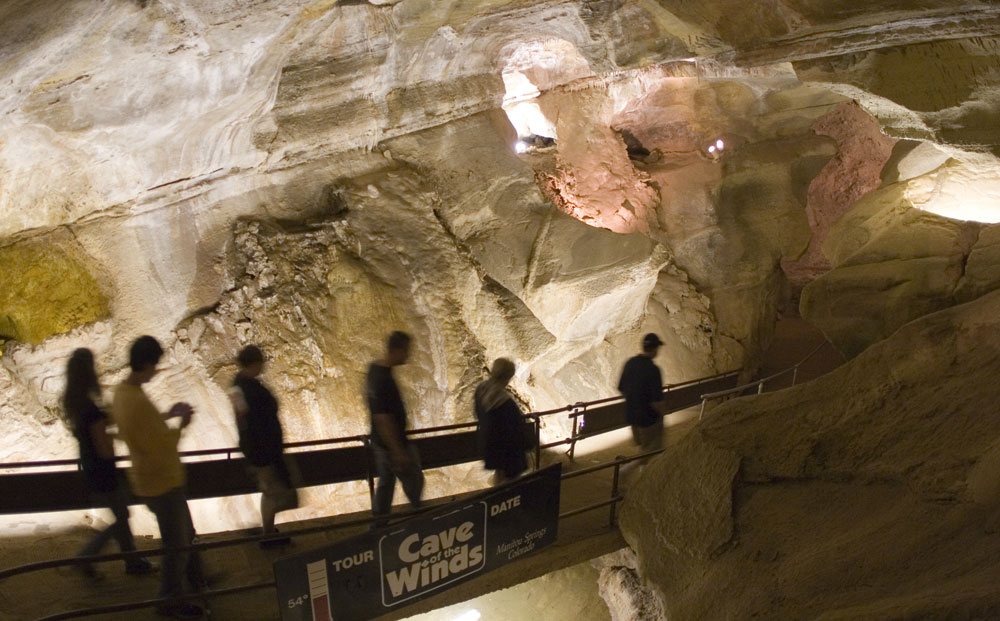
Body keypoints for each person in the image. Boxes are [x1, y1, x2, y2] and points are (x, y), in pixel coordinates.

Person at [111, 336, 205, 620]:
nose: (156, 371)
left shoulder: (121, 393)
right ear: (147, 363)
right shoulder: (137, 400)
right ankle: (169, 601)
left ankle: (194, 584)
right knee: (176, 546)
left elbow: (141, 427)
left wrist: (166, 415)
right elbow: (161, 446)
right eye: (156, 365)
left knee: (184, 537)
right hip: (162, 483)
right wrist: (182, 425)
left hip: (148, 479)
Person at [63, 348, 154, 580]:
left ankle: (132, 562)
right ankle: (87, 557)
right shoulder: (92, 410)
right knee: (122, 516)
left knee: (121, 516)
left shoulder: (75, 405)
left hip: (91, 468)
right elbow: (103, 447)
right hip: (103, 471)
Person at [228, 345, 298, 544]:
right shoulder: (246, 387)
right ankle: (267, 534)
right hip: (262, 451)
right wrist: (263, 452)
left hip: (260, 449)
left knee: (271, 491)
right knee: (273, 492)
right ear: (255, 363)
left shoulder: (240, 386)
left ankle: (267, 530)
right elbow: (251, 424)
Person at [365, 331, 423, 526]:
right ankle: (420, 519)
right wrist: (398, 450)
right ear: (397, 350)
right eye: (406, 350)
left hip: (381, 443)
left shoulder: (375, 370)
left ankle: (378, 525)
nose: (408, 355)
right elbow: (383, 418)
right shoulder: (383, 380)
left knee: (385, 484)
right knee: (413, 480)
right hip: (392, 443)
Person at [474, 358, 531, 486]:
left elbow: (478, 413)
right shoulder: (504, 403)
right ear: (507, 377)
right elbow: (514, 429)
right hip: (507, 450)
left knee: (499, 474)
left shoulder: (481, 389)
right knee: (511, 478)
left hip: (488, 444)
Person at [617, 333, 667, 458]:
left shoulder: (630, 363)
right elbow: (656, 401)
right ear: (655, 349)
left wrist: (634, 400)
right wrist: (662, 415)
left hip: (632, 416)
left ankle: (639, 472)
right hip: (648, 419)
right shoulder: (653, 370)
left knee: (643, 449)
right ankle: (626, 470)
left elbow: (621, 388)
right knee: (650, 453)